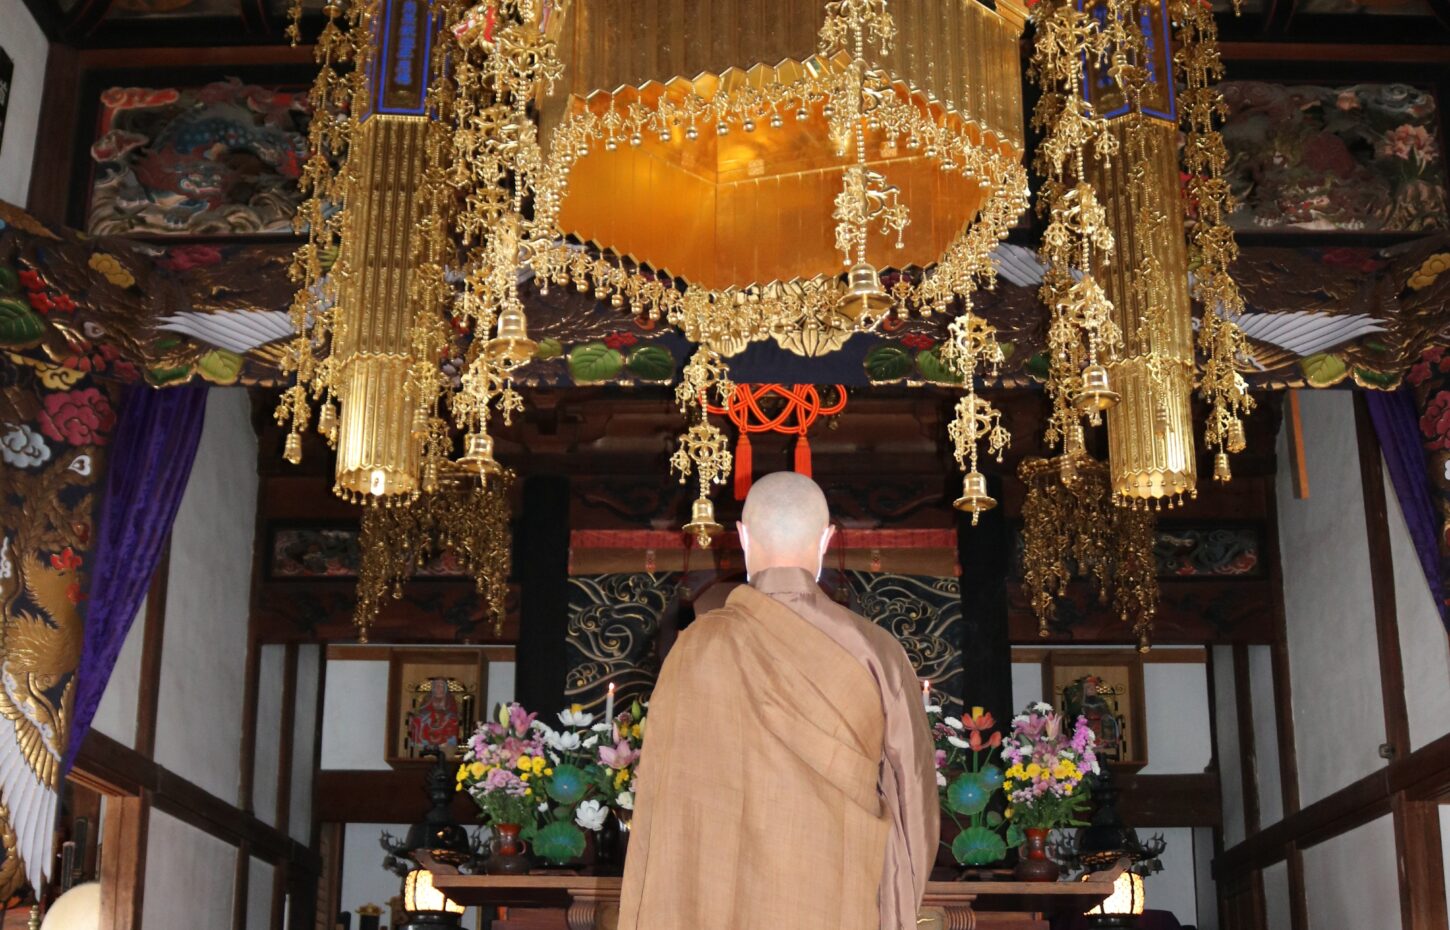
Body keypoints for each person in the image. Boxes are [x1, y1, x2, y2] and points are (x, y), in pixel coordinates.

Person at [619, 472, 938, 930]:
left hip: (714, 903)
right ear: (827, 539)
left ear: (743, 537)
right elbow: (913, 798)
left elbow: (662, 807)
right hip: (838, 899)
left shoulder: (694, 649)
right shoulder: (876, 652)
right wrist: (897, 909)